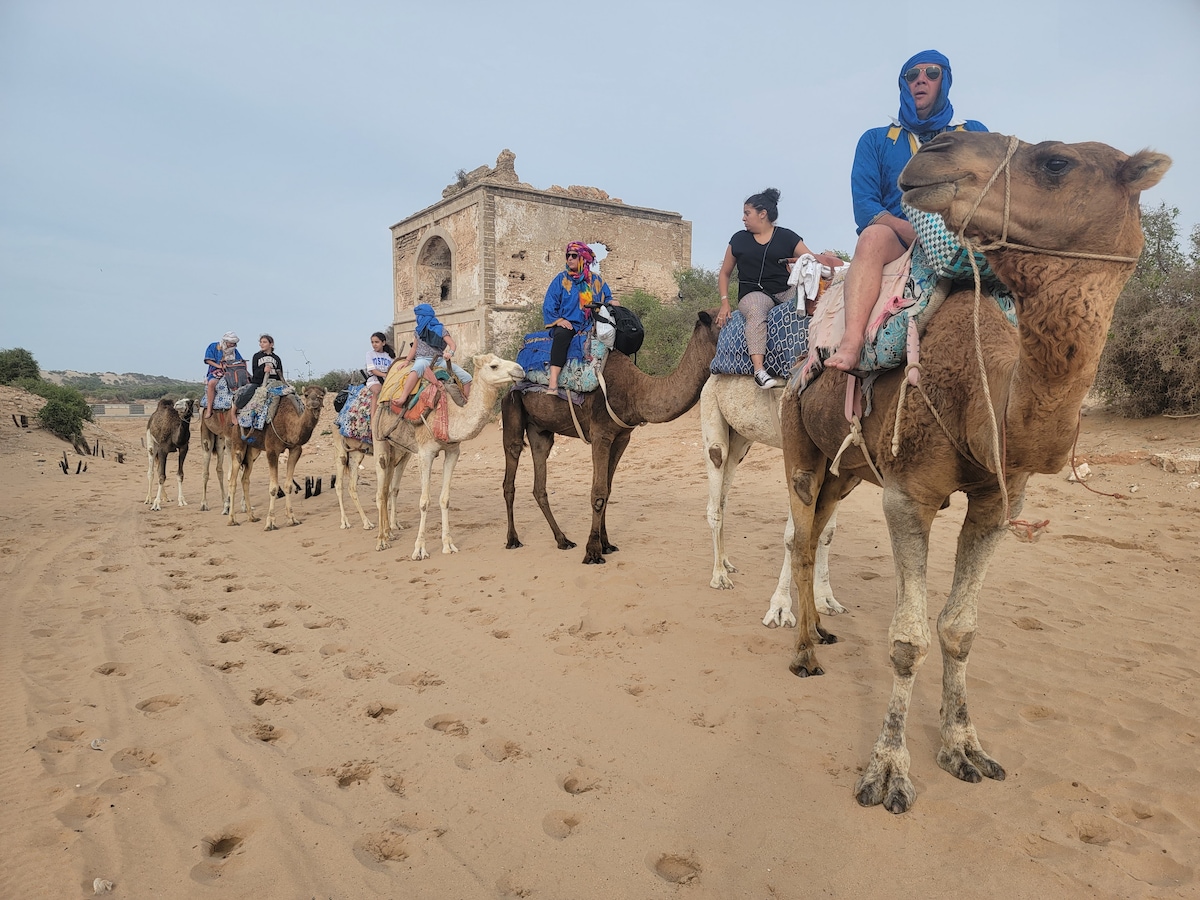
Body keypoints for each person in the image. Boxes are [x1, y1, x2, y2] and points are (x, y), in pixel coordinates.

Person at [825, 50, 987, 372]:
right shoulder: (875, 141)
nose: (921, 80)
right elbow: (865, 204)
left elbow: (990, 189)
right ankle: (852, 340)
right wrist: (909, 229)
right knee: (871, 237)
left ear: (945, 80)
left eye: (931, 73)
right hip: (899, 239)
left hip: (961, 235)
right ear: (904, 85)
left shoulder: (972, 134)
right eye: (912, 75)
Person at [717, 189, 843, 389]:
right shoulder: (738, 239)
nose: (743, 218)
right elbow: (724, 273)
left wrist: (826, 255)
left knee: (815, 300)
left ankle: (823, 355)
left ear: (762, 214)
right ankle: (759, 371)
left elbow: (809, 259)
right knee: (757, 310)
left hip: (785, 291)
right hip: (753, 293)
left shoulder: (786, 237)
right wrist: (725, 302)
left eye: (747, 213)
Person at [543, 241, 613, 394]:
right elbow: (549, 304)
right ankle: (553, 382)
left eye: (574, 256)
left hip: (591, 325)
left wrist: (613, 302)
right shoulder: (561, 280)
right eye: (567, 255)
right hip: (569, 324)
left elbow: (607, 298)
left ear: (583, 258)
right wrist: (560, 321)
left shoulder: (597, 281)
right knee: (561, 337)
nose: (569, 259)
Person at [393, 303, 473, 406]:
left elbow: (452, 344)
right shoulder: (418, 331)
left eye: (418, 316)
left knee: (466, 377)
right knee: (416, 369)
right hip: (422, 359)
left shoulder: (440, 330)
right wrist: (407, 361)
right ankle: (403, 398)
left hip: (439, 360)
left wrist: (450, 353)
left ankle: (467, 404)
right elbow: (414, 347)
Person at [231, 334, 285, 420]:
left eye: (264, 342)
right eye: (261, 342)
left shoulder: (277, 358)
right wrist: (263, 370)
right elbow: (255, 372)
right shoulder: (257, 356)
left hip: (274, 382)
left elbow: (280, 372)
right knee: (248, 392)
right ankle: (234, 412)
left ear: (271, 344)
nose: (261, 344)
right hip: (259, 382)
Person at [203, 332, 245, 419]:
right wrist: (219, 366)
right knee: (211, 384)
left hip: (232, 371)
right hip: (216, 371)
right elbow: (208, 360)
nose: (232, 345)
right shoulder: (214, 346)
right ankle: (209, 409)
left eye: (234, 343)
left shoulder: (234, 351)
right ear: (225, 341)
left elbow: (239, 361)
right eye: (231, 343)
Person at [365, 332, 396, 420]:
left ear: (383, 343)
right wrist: (385, 375)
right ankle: (373, 420)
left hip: (389, 380)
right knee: (377, 391)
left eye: (376, 342)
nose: (374, 344)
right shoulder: (370, 354)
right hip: (375, 380)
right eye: (372, 342)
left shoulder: (390, 356)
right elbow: (373, 370)